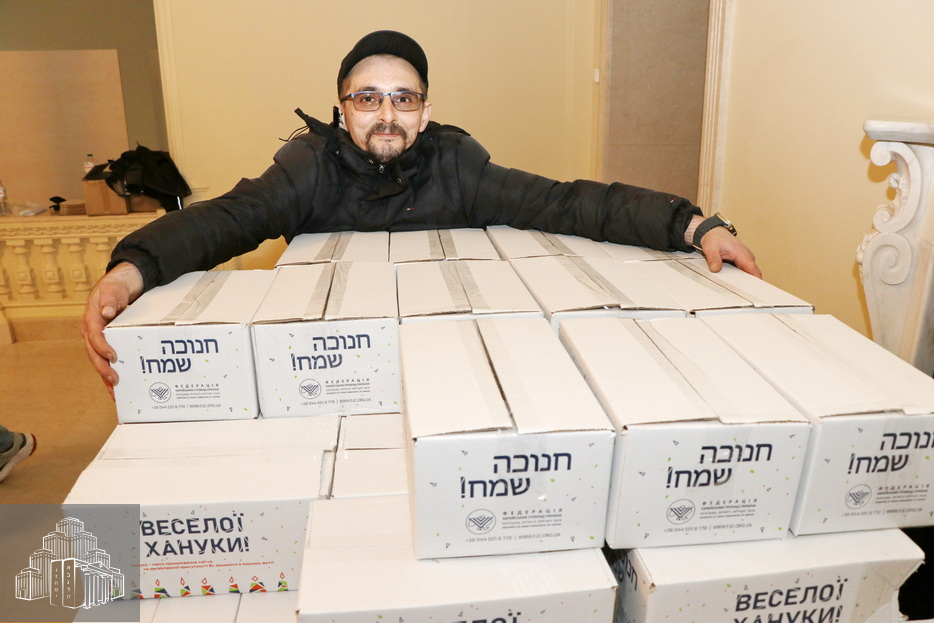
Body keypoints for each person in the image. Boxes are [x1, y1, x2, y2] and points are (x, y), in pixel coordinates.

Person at [82, 30, 760, 397]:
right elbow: (225, 219)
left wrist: (692, 224)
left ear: (425, 111)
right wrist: (131, 270)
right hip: (331, 367)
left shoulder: (457, 166)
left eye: (403, 99)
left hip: (453, 361)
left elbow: (568, 202)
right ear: (341, 109)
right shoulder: (307, 168)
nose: (386, 114)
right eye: (368, 98)